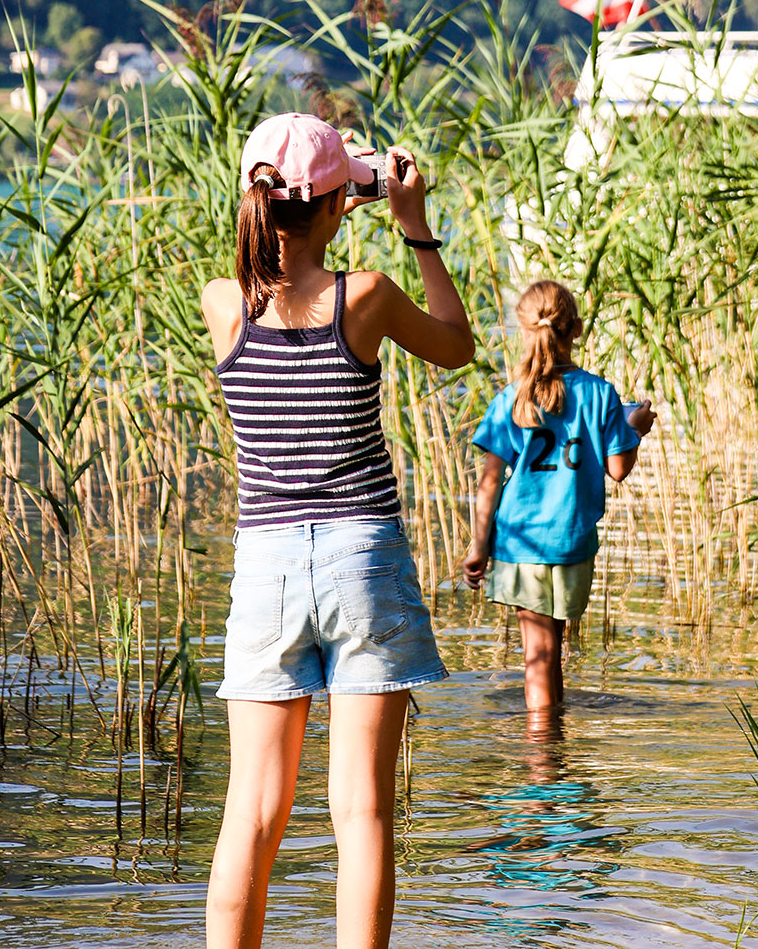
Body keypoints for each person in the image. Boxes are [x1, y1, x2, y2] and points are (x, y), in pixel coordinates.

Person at [201, 112, 475, 949]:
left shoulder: (223, 304)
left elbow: (285, 227)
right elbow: (457, 345)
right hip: (363, 555)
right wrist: (412, 222)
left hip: (268, 567)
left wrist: (331, 194)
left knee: (252, 809)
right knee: (361, 809)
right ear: (333, 210)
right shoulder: (367, 296)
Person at [462, 279, 654, 725]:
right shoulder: (600, 393)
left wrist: (477, 545)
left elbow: (489, 482)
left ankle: (542, 764)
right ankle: (555, 746)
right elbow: (619, 469)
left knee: (538, 652)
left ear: (523, 330)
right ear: (577, 328)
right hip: (572, 541)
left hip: (520, 540)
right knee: (553, 649)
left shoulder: (511, 398)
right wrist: (637, 428)